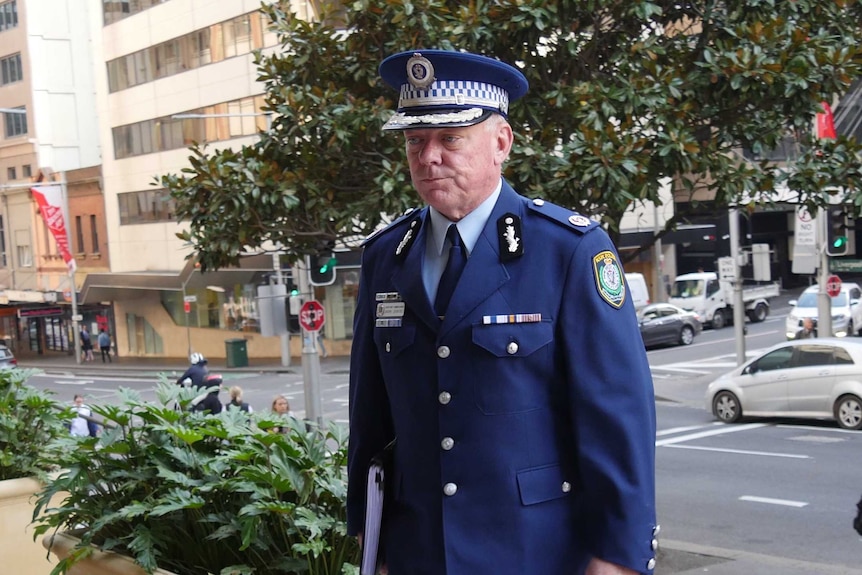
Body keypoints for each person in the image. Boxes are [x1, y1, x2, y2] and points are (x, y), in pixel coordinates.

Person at [347, 50, 657, 575]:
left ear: (501, 142)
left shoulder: (567, 250)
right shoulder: (385, 256)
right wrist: (369, 538)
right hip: (416, 552)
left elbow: (617, 418)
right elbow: (369, 415)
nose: (429, 158)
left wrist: (619, 558)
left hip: (535, 551)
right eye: (415, 141)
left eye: (450, 139)